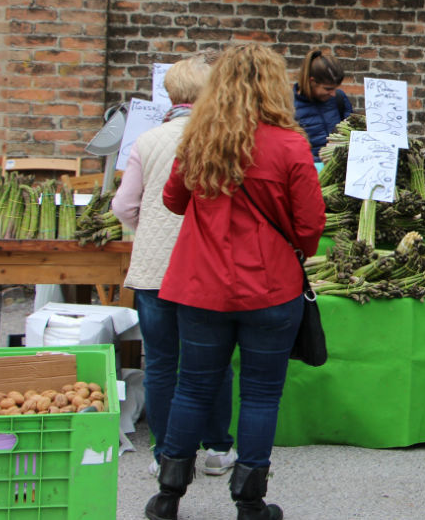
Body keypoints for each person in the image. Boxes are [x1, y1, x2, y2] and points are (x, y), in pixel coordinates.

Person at [146, 43, 326, 520]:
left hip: (200, 284)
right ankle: (250, 502)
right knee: (262, 394)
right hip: (270, 287)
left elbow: (172, 200)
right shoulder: (289, 144)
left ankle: (167, 496)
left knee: (191, 387)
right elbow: (310, 227)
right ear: (273, 86)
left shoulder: (199, 138)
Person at [111, 52, 237, 479]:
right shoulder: (223, 139)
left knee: (161, 362)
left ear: (171, 93)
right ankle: (218, 448)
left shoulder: (147, 141)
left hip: (152, 266)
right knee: (213, 359)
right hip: (204, 267)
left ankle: (165, 452)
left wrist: (146, 226)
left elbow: (124, 204)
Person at [293, 49, 352, 161]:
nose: (333, 93)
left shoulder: (339, 99)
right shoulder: (289, 107)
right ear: (312, 81)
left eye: (336, 88)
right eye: (328, 89)